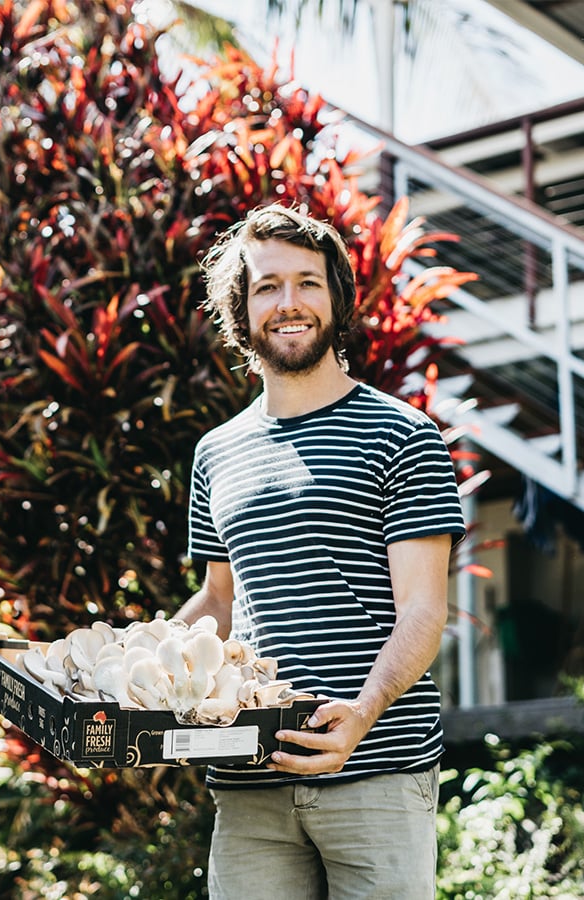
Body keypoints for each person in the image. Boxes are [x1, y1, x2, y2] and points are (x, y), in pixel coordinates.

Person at [174, 203, 466, 899]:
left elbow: (423, 612)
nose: (289, 303)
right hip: (248, 786)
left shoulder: (404, 436)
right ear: (240, 310)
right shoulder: (217, 453)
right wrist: (116, 680)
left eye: (308, 282)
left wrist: (358, 717)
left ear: (337, 297)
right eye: (268, 285)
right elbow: (220, 598)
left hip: (376, 776)